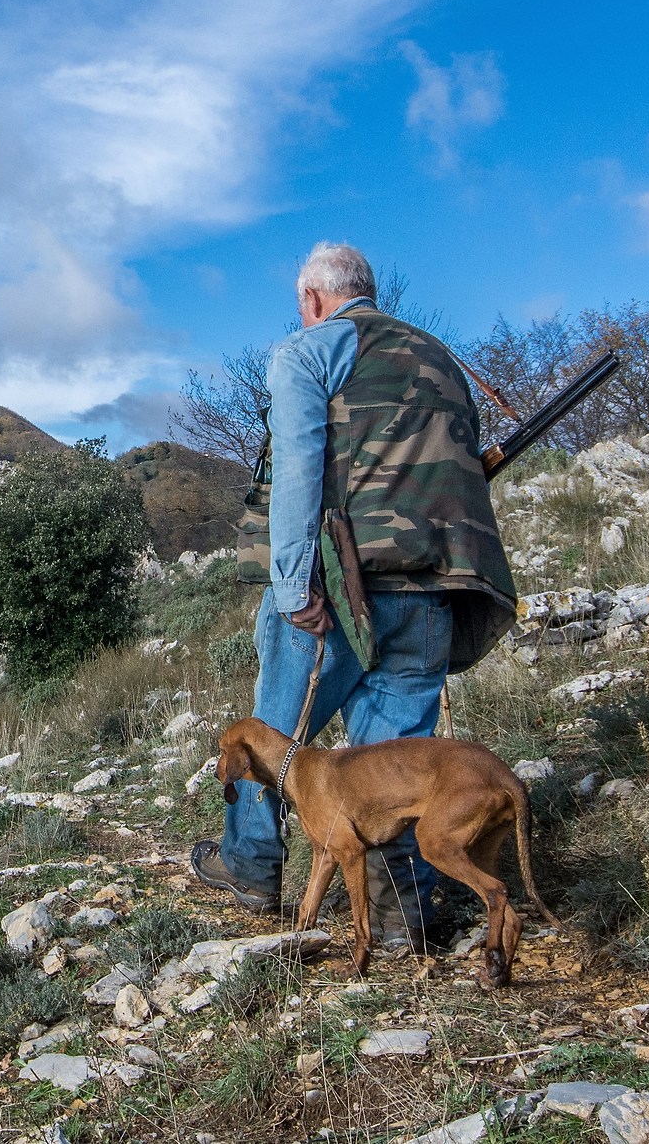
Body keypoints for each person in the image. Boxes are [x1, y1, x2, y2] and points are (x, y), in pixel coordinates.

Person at [191, 242, 516, 953]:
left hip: (338, 590)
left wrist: (292, 583)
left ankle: (251, 866)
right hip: (431, 589)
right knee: (396, 765)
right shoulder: (440, 357)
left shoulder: (308, 352)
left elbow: (299, 464)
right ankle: (399, 913)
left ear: (312, 299)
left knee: (273, 738)